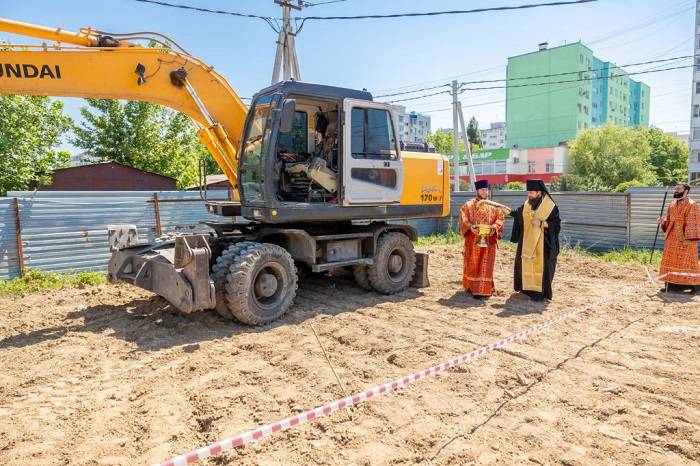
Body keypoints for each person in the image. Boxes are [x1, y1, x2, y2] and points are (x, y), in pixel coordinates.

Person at [509, 179, 561, 301]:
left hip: (544, 245)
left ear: (539, 192)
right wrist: (508, 211)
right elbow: (518, 214)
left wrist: (542, 223)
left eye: (531, 193)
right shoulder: (528, 204)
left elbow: (556, 224)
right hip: (527, 241)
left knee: (543, 268)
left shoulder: (550, 207)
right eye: (528, 192)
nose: (529, 195)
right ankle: (526, 290)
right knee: (525, 264)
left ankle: (540, 293)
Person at [459, 179, 504, 300]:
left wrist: (494, 228)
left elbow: (500, 219)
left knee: (486, 265)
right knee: (472, 264)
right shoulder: (468, 205)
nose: (484, 192)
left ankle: (482, 290)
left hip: (489, 241)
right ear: (477, 191)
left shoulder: (494, 207)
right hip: (473, 240)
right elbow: (464, 218)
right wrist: (470, 227)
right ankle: (471, 287)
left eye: (486, 189)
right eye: (482, 190)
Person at [658, 183, 700, 293]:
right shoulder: (671, 204)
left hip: (686, 239)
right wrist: (663, 221)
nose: (676, 190)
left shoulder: (692, 204)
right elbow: (669, 220)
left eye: (679, 188)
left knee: (688, 263)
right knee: (670, 263)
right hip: (671, 238)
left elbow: (694, 223)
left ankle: (696, 287)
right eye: (675, 188)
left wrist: (689, 239)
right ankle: (671, 286)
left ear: (686, 191)